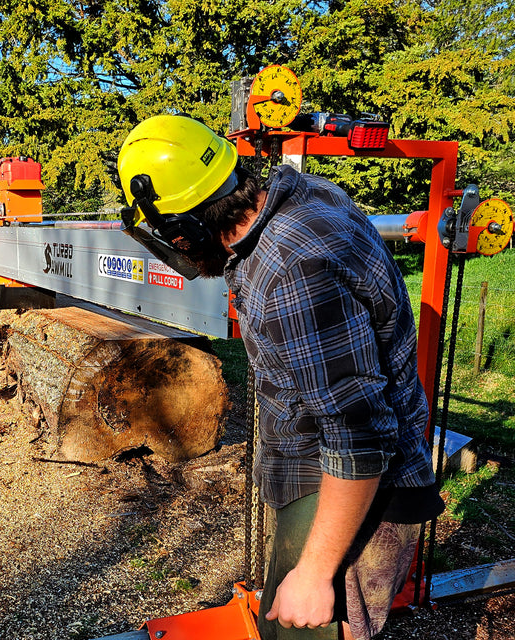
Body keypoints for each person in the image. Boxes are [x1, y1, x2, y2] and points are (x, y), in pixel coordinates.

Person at [117, 114, 444, 640]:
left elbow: (357, 436)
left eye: (168, 234)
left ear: (185, 228)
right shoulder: (300, 195)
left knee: (305, 626)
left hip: (348, 488)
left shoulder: (288, 272)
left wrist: (315, 574)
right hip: (318, 471)